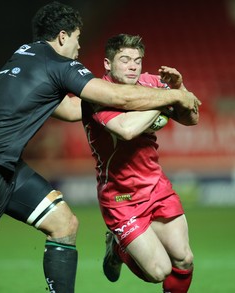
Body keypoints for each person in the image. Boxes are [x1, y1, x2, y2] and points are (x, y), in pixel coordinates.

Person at [0, 2, 200, 292]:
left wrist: (165, 97)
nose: (79, 48)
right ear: (62, 37)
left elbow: (71, 111)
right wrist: (172, 97)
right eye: (78, 39)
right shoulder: (58, 64)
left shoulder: (23, 55)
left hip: (6, 167)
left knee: (65, 224)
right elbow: (118, 99)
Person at [81, 34, 198, 293]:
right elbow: (126, 129)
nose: (133, 66)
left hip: (156, 186)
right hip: (120, 197)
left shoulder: (149, 83)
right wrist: (165, 97)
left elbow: (192, 118)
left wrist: (180, 89)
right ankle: (116, 247)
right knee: (158, 271)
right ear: (107, 64)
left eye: (137, 60)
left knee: (184, 260)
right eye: (125, 60)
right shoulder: (98, 93)